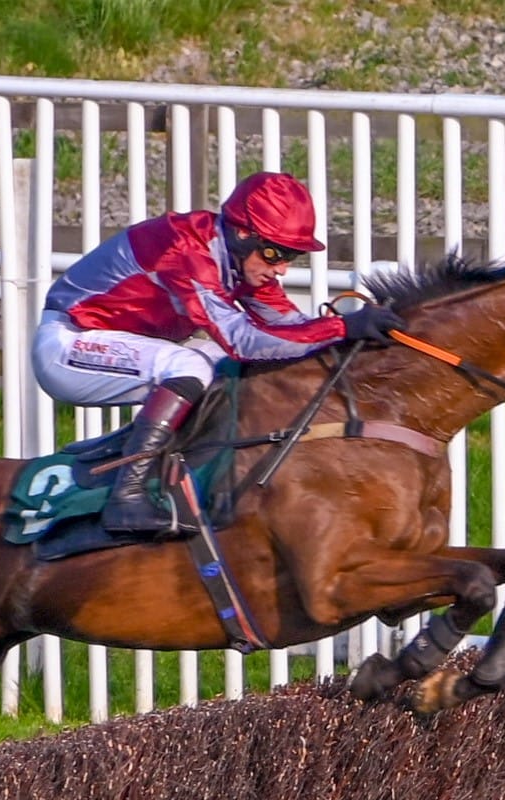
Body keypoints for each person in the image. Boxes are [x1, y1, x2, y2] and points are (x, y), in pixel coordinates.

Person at [31, 171, 407, 534]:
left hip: (121, 344)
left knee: (225, 366)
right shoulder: (185, 250)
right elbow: (241, 339)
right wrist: (340, 327)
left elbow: (288, 330)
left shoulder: (243, 262)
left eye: (291, 255)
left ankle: (193, 470)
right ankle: (126, 496)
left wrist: (354, 337)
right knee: (191, 364)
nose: (281, 269)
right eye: (275, 253)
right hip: (69, 343)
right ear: (242, 233)